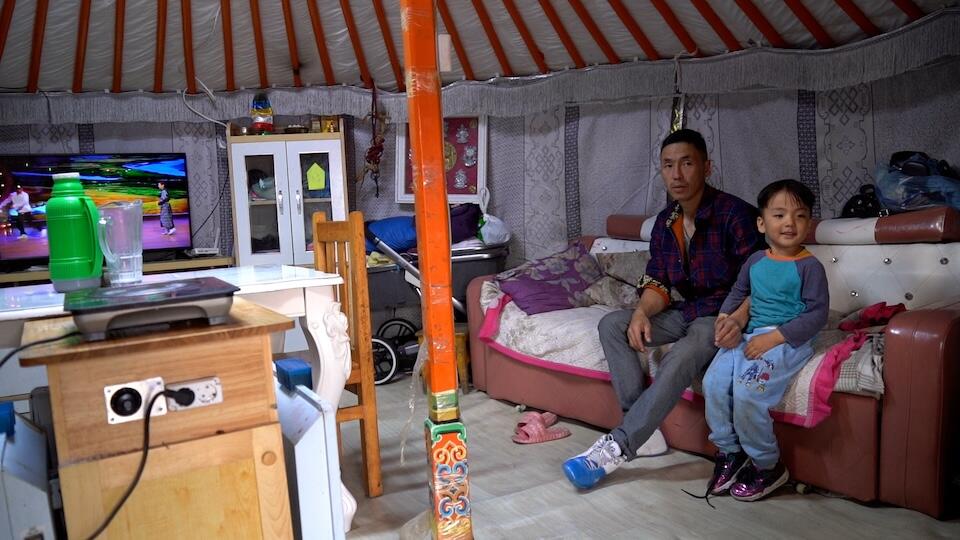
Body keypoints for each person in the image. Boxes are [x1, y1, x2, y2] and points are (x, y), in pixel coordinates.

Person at [563, 129, 764, 490]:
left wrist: (739, 316)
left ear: (706, 167)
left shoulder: (735, 214)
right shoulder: (664, 222)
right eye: (668, 166)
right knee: (613, 324)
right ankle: (645, 429)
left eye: (686, 163)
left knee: (683, 354)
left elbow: (759, 276)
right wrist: (641, 313)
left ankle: (617, 447)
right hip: (685, 310)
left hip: (721, 315)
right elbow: (657, 279)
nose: (677, 175)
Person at [700, 179, 828, 501]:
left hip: (787, 340)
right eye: (780, 215)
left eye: (800, 216)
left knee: (748, 394)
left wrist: (774, 338)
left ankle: (767, 465)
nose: (789, 223)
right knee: (713, 382)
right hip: (750, 335)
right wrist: (725, 319)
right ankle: (730, 452)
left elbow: (816, 315)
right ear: (761, 222)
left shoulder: (810, 267)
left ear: (808, 224)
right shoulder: (756, 261)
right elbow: (739, 293)